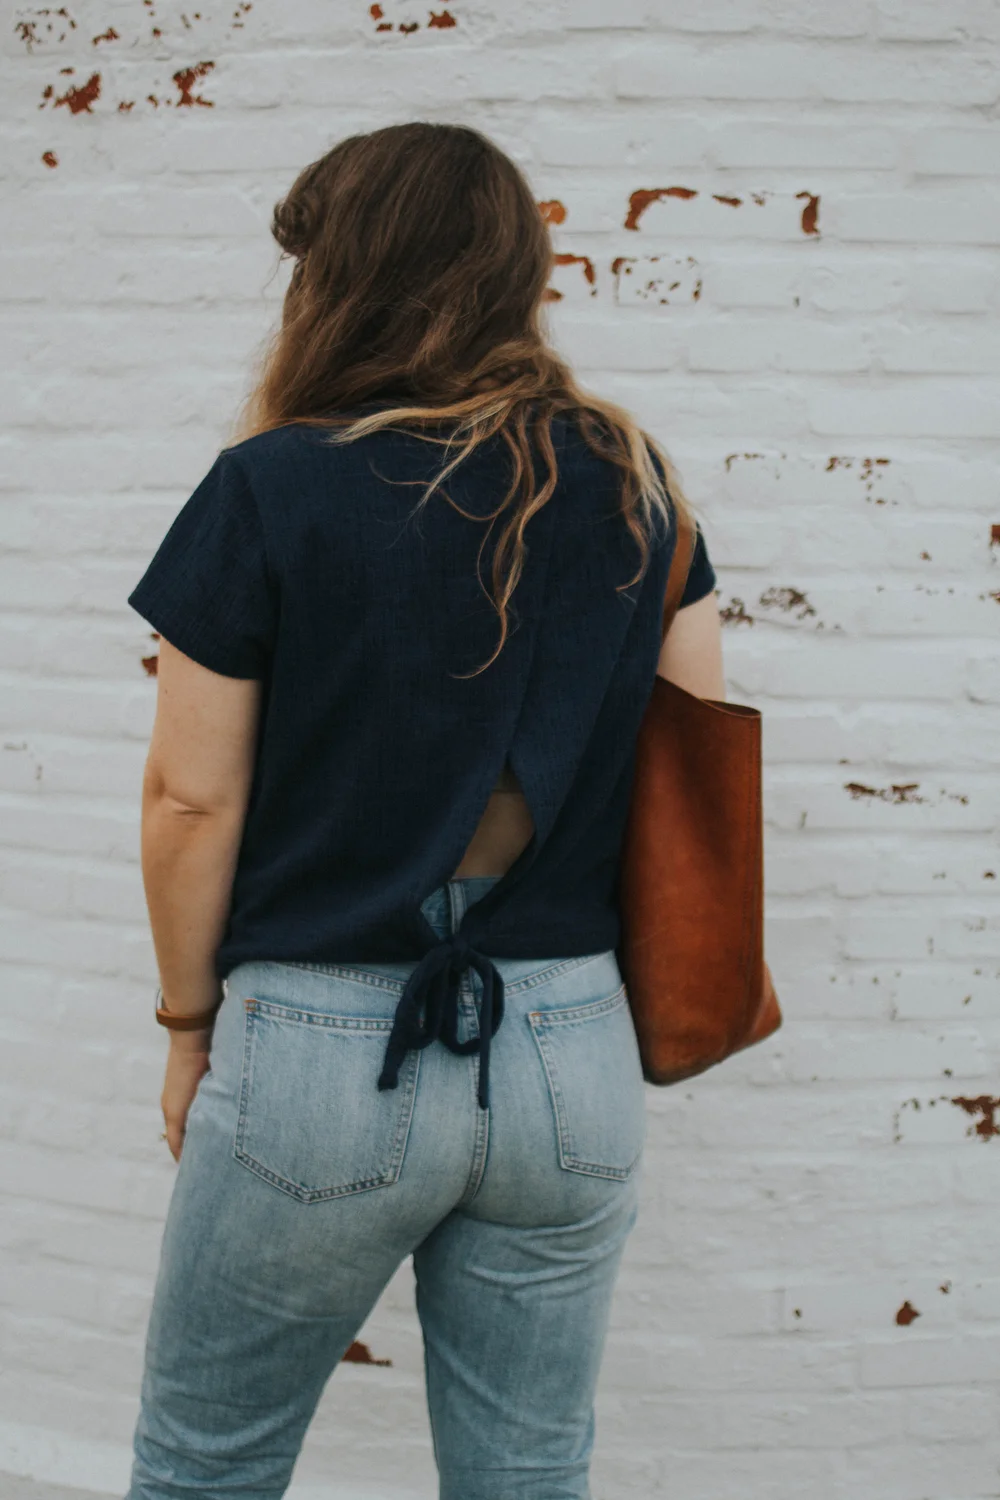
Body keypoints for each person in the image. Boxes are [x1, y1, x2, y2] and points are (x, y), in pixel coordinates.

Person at [123, 121, 725, 1500]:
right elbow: (694, 757)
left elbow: (187, 800)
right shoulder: (637, 485)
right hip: (570, 1048)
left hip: (323, 1053)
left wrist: (185, 1027)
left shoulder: (273, 489)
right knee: (526, 1475)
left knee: (203, 1466)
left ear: (337, 280)